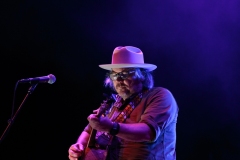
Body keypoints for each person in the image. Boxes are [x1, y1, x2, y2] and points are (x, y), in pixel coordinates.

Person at [68, 46, 179, 160]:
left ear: (142, 75)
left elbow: (148, 132)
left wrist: (111, 127)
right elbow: (90, 129)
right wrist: (79, 146)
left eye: (125, 74)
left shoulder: (159, 95)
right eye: (115, 75)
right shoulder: (113, 102)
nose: (119, 80)